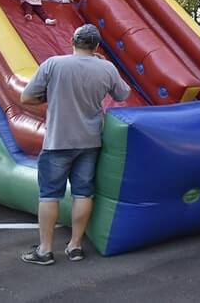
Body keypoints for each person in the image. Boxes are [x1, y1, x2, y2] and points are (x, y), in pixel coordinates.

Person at [19, 24, 131, 265]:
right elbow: (123, 95)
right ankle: (75, 245)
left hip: (57, 140)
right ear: (97, 46)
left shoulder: (53, 64)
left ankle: (45, 250)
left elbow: (26, 97)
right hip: (90, 141)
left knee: (49, 195)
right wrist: (101, 64)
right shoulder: (106, 68)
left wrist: (50, 96)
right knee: (83, 192)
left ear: (73, 41)